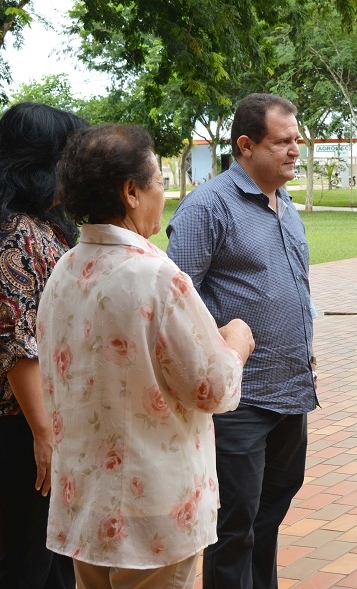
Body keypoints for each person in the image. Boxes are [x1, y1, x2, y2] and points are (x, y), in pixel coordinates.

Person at [37, 123, 254, 588]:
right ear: (131, 192)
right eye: (158, 179)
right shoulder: (155, 275)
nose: (165, 191)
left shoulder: (65, 270)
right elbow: (213, 388)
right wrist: (236, 341)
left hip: (86, 498)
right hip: (153, 504)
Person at [167, 93, 318, 589]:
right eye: (283, 142)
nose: (295, 150)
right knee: (235, 526)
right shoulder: (207, 207)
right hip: (240, 400)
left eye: (297, 139)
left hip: (291, 390)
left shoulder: (285, 203)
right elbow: (178, 300)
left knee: (267, 519)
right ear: (246, 145)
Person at [0, 102, 87, 589]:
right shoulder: (15, 234)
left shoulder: (45, 226)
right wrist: (44, 436)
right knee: (28, 562)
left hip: (46, 424)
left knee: (55, 563)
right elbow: (17, 345)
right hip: (22, 428)